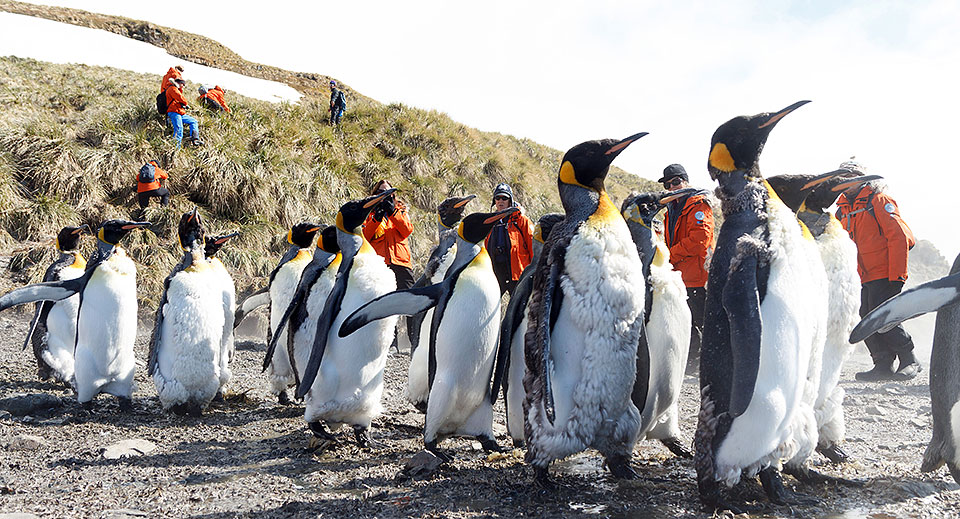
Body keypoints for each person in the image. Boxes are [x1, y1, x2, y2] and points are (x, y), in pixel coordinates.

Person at [835, 161, 920, 381]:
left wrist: (898, 275)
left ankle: (909, 359)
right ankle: (882, 364)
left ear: (864, 178)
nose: (848, 180)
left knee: (885, 316)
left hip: (886, 272)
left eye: (852, 175)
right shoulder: (841, 210)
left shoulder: (880, 201)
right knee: (865, 317)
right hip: (860, 276)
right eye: (844, 176)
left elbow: (900, 237)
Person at [659, 164, 714, 373]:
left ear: (685, 180)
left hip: (697, 276)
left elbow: (700, 240)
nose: (672, 187)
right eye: (668, 184)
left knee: (703, 321)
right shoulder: (672, 208)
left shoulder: (698, 205)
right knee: (686, 321)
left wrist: (670, 255)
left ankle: (714, 363)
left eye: (676, 182)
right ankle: (691, 363)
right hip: (680, 275)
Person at [363, 180, 415, 290]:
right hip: (379, 263)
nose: (384, 194)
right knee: (380, 297)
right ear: (375, 194)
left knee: (408, 300)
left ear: (393, 194)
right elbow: (364, 238)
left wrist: (392, 213)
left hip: (400, 262)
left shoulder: (401, 210)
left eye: (388, 192)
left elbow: (407, 230)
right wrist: (377, 218)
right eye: (381, 191)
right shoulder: (367, 213)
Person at [484, 183, 534, 295]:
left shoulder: (521, 220)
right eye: (497, 198)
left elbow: (533, 245)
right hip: (495, 271)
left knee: (520, 308)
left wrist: (534, 270)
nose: (500, 201)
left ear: (510, 200)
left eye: (504, 198)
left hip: (517, 272)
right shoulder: (489, 222)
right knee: (491, 305)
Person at [164, 78, 203, 148]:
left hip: (179, 112)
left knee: (193, 121)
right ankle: (175, 149)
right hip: (174, 112)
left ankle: (195, 139)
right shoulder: (172, 88)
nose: (183, 86)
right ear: (179, 83)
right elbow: (181, 98)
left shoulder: (175, 89)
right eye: (183, 84)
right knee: (179, 130)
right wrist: (185, 103)